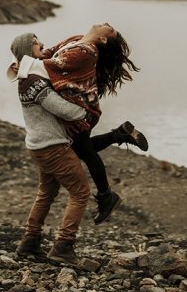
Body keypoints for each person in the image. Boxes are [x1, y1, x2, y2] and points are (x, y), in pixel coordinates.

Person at [10, 24, 147, 224]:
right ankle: (119, 135)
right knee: (82, 148)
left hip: (81, 109)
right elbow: (49, 53)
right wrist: (23, 62)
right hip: (75, 106)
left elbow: (53, 64)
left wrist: (22, 65)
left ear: (104, 40)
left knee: (86, 151)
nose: (109, 25)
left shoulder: (86, 52)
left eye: (112, 31)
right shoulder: (76, 40)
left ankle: (106, 195)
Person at [9, 32, 91, 266]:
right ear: (27, 48)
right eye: (36, 43)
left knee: (46, 193)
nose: (41, 44)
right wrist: (84, 111)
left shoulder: (28, 75)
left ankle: (30, 243)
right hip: (52, 146)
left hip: (39, 145)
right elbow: (60, 109)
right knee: (80, 192)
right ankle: (63, 247)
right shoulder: (33, 81)